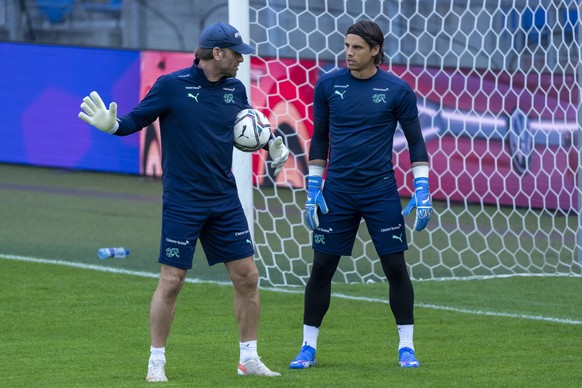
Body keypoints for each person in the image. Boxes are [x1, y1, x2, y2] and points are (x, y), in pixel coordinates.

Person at [78, 21, 288, 381]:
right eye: (236, 53)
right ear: (217, 53)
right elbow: (133, 121)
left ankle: (248, 358)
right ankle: (156, 361)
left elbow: (250, 124)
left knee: (248, 277)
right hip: (183, 201)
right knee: (172, 280)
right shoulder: (171, 86)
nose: (241, 60)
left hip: (224, 198)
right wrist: (112, 126)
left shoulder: (235, 88)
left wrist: (273, 143)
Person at [289, 20, 432, 370]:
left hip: (380, 191)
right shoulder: (328, 85)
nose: (348, 53)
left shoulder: (397, 90)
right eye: (346, 46)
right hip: (337, 191)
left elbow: (416, 142)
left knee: (395, 267)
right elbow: (319, 138)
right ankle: (307, 347)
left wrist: (423, 188)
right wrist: (313, 187)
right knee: (322, 267)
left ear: (375, 51)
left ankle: (406, 347)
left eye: (356, 47)